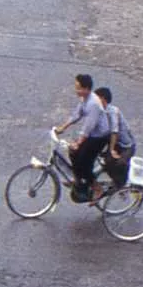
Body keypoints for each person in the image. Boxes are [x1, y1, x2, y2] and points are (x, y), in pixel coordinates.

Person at [54, 73, 110, 202]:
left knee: (84, 163)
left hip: (99, 137)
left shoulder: (93, 104)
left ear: (87, 89)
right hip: (92, 134)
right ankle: (79, 179)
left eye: (79, 88)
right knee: (73, 153)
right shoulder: (84, 99)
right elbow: (76, 115)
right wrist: (63, 127)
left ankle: (97, 188)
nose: (76, 90)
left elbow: (88, 128)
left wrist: (78, 143)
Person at [95, 86, 137, 190]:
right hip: (113, 143)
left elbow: (115, 132)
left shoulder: (113, 112)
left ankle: (122, 184)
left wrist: (112, 150)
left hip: (126, 146)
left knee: (118, 163)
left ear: (103, 99)